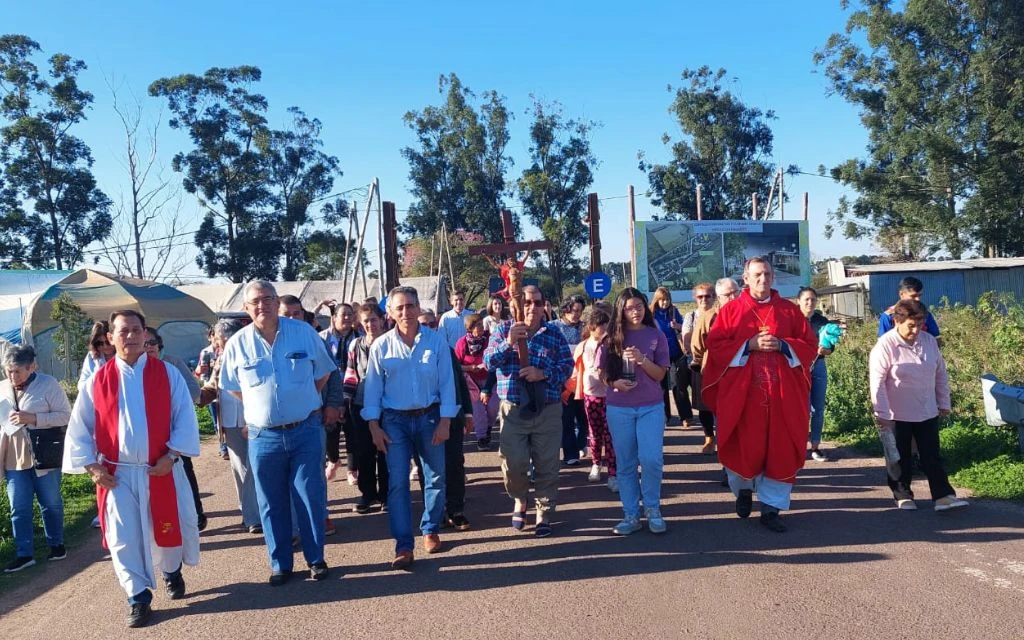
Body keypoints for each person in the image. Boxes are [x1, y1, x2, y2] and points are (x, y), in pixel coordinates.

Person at [63, 309, 201, 628]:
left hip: (160, 468)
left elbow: (184, 417)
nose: (131, 336)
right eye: (123, 331)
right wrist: (91, 467)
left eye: (136, 330)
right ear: (111, 338)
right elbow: (80, 427)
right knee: (124, 536)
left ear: (145, 334)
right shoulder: (97, 380)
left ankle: (170, 570)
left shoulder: (166, 373)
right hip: (119, 474)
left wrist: (173, 455)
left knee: (169, 527)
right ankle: (137, 597)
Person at [219, 281, 335, 586]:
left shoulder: (303, 333)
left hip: (305, 430)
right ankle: (280, 563)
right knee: (270, 501)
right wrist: (262, 410)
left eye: (268, 299)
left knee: (310, 497)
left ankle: (316, 559)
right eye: (255, 301)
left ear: (276, 302)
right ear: (246, 308)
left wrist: (304, 400)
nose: (262, 305)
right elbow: (232, 386)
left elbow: (323, 372)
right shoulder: (237, 344)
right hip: (263, 436)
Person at [702, 258, 818, 533]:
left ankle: (770, 509)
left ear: (773, 276)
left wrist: (783, 345)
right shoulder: (731, 311)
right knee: (745, 445)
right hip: (745, 397)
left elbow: (810, 345)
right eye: (757, 274)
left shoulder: (789, 312)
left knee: (780, 449)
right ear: (745, 278)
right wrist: (748, 345)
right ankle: (743, 490)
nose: (762, 279)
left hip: (781, 397)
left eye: (766, 273)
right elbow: (715, 345)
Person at [362, 285, 459, 570]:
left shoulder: (436, 341)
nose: (406, 312)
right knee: (398, 483)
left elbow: (446, 382)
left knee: (436, 478)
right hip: (394, 422)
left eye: (411, 306)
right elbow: (372, 389)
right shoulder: (381, 345)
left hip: (430, 418)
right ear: (390, 313)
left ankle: (430, 528)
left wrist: (445, 420)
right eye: (399, 308)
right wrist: (373, 426)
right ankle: (404, 545)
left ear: (418, 308)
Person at [484, 285, 573, 538]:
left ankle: (543, 511)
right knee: (513, 463)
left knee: (547, 463)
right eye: (527, 302)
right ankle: (520, 499)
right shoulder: (502, 330)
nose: (532, 307)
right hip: (513, 410)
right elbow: (489, 362)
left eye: (536, 302)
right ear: (515, 306)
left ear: (544, 305)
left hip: (548, 409)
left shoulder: (554, 333)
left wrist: (542, 374)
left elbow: (567, 367)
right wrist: (509, 342)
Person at [869, 299, 968, 512]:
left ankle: (942, 496)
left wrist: (944, 402)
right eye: (910, 325)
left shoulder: (929, 341)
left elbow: (940, 373)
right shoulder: (885, 345)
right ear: (897, 321)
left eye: (920, 324)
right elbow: (877, 383)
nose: (915, 330)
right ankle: (902, 494)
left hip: (927, 409)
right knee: (899, 456)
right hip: (896, 413)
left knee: (931, 454)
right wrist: (882, 413)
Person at [603, 288, 671, 535]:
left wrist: (642, 360)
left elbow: (660, 375)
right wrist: (614, 383)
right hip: (619, 408)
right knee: (626, 463)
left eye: (639, 306)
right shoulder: (611, 338)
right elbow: (602, 373)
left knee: (651, 459)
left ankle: (652, 508)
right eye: (629, 308)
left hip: (650, 407)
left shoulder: (656, 335)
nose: (635, 312)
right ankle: (631, 514)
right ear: (621, 310)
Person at [1, 345, 73, 572]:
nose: (12, 376)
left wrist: (33, 418)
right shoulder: (2, 388)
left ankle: (56, 544)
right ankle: (24, 554)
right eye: (8, 371)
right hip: (13, 457)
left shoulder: (48, 384)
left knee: (50, 502)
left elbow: (65, 415)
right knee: (18, 507)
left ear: (32, 367)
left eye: (17, 371)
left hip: (44, 454)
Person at [198, 319, 261, 534]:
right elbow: (213, 386)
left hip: (251, 418)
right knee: (240, 469)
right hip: (230, 422)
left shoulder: (248, 354)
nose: (215, 342)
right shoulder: (220, 358)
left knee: (252, 469)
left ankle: (255, 514)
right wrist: (196, 395)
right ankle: (250, 514)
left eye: (216, 338)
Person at [143, 327, 207, 532]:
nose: (148, 347)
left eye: (152, 343)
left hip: (173, 429)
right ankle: (161, 523)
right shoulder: (136, 369)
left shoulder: (172, 363)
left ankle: (196, 514)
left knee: (184, 471)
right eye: (144, 344)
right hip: (147, 435)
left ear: (159, 344)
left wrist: (168, 398)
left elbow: (194, 390)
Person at [342, 302, 390, 514]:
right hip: (360, 404)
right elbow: (351, 374)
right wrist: (346, 401)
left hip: (388, 404)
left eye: (373, 319)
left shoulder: (392, 342)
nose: (370, 324)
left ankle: (388, 494)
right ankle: (368, 493)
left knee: (387, 450)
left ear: (382, 319)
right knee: (365, 451)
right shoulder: (355, 345)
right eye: (365, 321)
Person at [690, 278, 740, 457]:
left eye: (736, 292)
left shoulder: (749, 313)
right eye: (728, 294)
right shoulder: (710, 316)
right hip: (718, 375)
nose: (733, 297)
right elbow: (697, 345)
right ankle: (728, 466)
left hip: (745, 375)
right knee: (723, 419)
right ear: (719, 297)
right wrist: (708, 361)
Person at [318, 301, 360, 485]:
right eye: (343, 314)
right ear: (333, 318)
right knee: (331, 433)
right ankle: (334, 460)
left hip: (354, 391)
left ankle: (352, 469)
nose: (347, 318)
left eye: (350, 314)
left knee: (353, 433)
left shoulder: (359, 337)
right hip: (330, 393)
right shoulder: (322, 338)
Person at [797, 287, 837, 461]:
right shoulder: (792, 320)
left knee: (818, 409)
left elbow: (831, 346)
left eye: (813, 299)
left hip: (818, 366)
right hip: (797, 368)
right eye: (806, 299)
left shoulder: (822, 321)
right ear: (799, 301)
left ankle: (815, 447)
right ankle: (797, 446)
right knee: (801, 409)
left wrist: (826, 350)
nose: (810, 303)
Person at [580, 307, 617, 492]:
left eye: (606, 325)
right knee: (594, 433)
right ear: (591, 327)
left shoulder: (611, 345)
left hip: (609, 395)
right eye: (600, 325)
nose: (603, 329)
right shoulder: (584, 345)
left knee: (610, 436)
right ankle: (595, 463)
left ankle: (613, 474)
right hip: (590, 394)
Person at [455, 313, 498, 450]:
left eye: (481, 323)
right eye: (478, 324)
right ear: (470, 328)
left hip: (489, 379)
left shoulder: (489, 339)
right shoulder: (462, 343)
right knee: (478, 411)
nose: (481, 326)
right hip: (471, 382)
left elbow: (495, 357)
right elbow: (456, 365)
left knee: (492, 408)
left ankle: (488, 428)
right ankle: (482, 438)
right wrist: (469, 368)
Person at [553, 295, 588, 465]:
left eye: (580, 311)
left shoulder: (585, 329)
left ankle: (581, 443)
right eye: (574, 310)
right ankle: (570, 454)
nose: (577, 314)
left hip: (583, 380)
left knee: (584, 418)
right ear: (565, 309)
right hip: (563, 381)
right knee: (566, 419)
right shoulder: (554, 328)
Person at [652, 286, 691, 427]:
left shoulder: (674, 311)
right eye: (662, 300)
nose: (665, 303)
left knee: (678, 385)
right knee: (661, 387)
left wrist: (677, 326)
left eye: (667, 299)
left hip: (676, 353)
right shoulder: (651, 314)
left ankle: (685, 416)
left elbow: (685, 328)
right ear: (656, 300)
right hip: (659, 355)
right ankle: (665, 416)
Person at [195, 328, 228, 461]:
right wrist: (198, 371)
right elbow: (199, 372)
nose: (216, 338)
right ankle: (223, 447)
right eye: (214, 335)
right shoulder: (205, 352)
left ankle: (226, 446)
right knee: (217, 421)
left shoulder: (226, 351)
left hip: (223, 392)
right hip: (210, 391)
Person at [78, 320, 115, 391]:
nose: (105, 346)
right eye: (100, 343)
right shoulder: (91, 357)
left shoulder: (124, 356)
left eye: (108, 342)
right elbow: (81, 385)